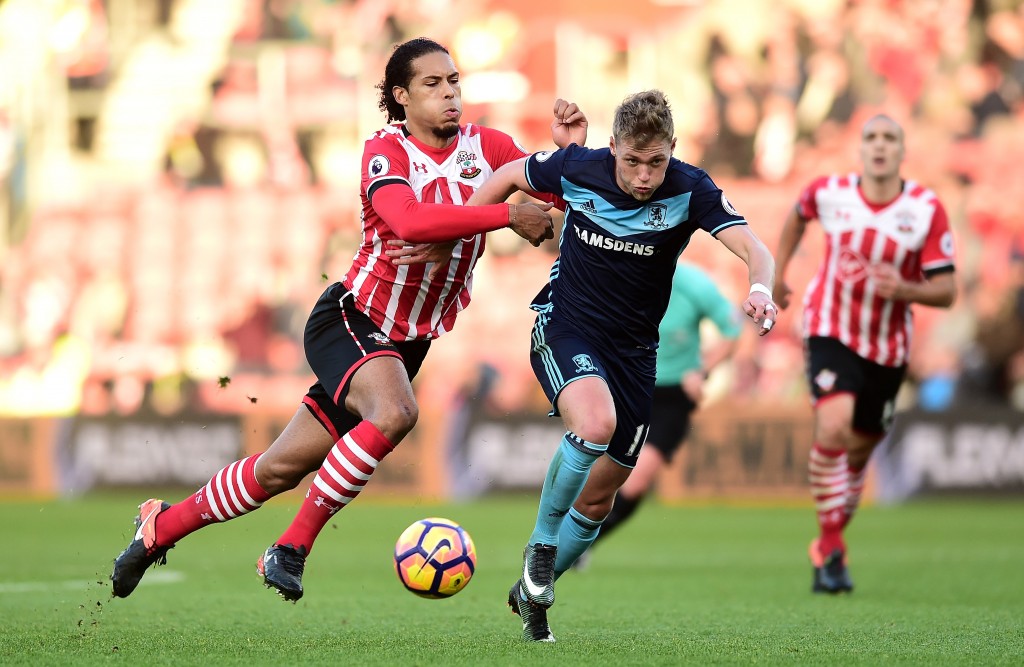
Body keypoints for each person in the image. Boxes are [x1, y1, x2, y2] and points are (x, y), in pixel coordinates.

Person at [109, 37, 588, 602]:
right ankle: (290, 549)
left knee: (279, 469)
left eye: (454, 82)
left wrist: (572, 155)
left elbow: (562, 210)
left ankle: (159, 527)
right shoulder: (384, 152)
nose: (450, 94)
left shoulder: (490, 147)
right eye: (433, 85)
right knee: (396, 412)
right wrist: (503, 213)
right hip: (351, 318)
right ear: (401, 96)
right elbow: (407, 221)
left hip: (406, 343)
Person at [465, 90, 777, 642]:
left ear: (671, 151)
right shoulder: (578, 166)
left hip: (636, 356)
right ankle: (540, 545)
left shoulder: (690, 187)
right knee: (594, 426)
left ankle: (532, 593)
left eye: (655, 161)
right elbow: (510, 175)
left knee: (600, 496)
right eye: (631, 161)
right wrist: (467, 238)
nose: (643, 175)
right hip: (567, 326)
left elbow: (756, 248)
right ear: (612, 149)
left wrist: (760, 288)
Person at [773, 113, 957, 594]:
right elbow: (797, 215)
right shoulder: (829, 192)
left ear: (901, 151)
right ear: (861, 149)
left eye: (889, 138)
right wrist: (778, 273)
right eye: (871, 137)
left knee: (858, 451)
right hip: (830, 326)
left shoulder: (924, 208)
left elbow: (947, 289)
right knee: (834, 425)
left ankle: (831, 533)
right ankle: (831, 548)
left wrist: (907, 288)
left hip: (888, 345)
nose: (879, 146)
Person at [573, 260, 742, 569]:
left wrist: (702, 370)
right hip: (627, 384)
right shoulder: (620, 277)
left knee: (637, 483)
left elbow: (732, 328)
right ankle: (568, 539)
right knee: (599, 476)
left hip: (672, 396)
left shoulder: (695, 285)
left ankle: (580, 546)